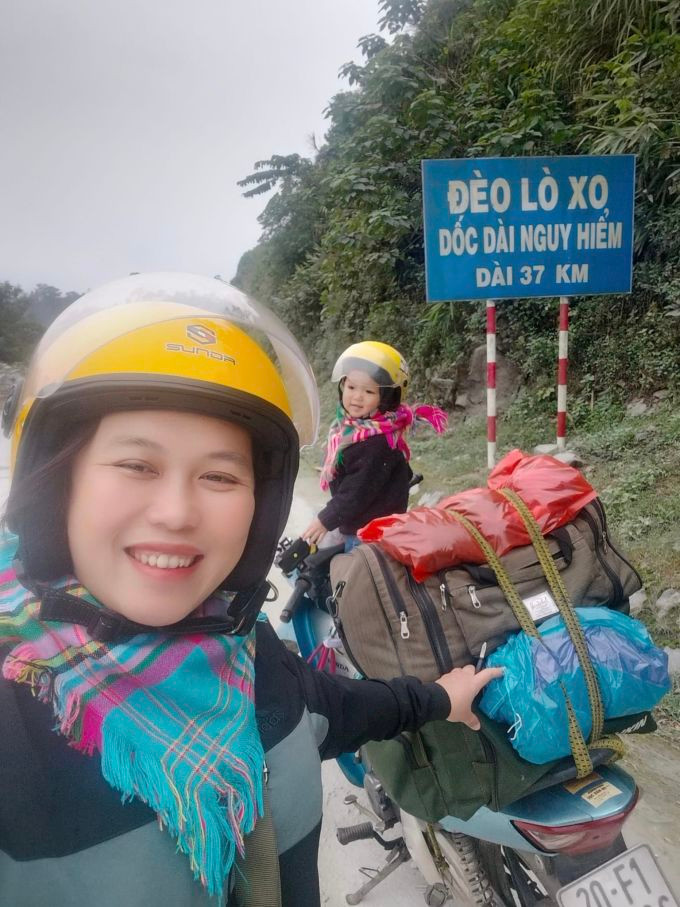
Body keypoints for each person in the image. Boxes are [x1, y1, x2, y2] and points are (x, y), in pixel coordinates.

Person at [0, 273, 501, 907]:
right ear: (54, 484)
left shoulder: (252, 656)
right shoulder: (16, 718)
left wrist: (436, 697)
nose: (177, 513)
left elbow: (341, 709)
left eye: (219, 474)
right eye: (136, 465)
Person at [302, 341, 447, 549]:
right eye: (351, 387)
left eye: (369, 392)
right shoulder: (351, 430)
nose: (357, 397)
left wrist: (325, 520)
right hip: (356, 524)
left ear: (386, 399)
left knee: (353, 578)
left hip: (370, 535)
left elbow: (356, 493)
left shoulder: (378, 443)